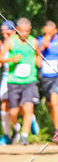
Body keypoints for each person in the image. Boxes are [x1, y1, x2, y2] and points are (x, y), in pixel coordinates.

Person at [0, 17, 41, 145]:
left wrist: (39, 63)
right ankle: (16, 127)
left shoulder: (33, 41)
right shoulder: (10, 42)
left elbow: (38, 55)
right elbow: (1, 57)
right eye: (22, 31)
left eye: (27, 31)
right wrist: (11, 60)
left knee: (28, 107)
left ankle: (24, 136)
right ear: (17, 30)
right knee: (13, 111)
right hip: (13, 80)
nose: (25, 34)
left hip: (30, 80)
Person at [37, 21, 58, 145]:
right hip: (45, 76)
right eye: (47, 32)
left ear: (55, 30)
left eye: (51, 32)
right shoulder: (39, 41)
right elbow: (37, 59)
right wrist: (42, 47)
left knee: (55, 100)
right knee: (51, 105)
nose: (49, 34)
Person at [0, 20, 16, 145]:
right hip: (7, 76)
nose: (5, 35)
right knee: (4, 103)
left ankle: (31, 119)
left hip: (23, 79)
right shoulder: (1, 45)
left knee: (22, 105)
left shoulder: (21, 42)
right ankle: (7, 135)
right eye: (2, 32)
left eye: (8, 32)